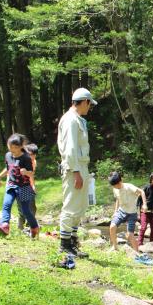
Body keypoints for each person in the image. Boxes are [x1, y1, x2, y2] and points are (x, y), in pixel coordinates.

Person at [57, 87, 97, 260]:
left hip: (82, 166)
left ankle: (73, 243)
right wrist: (75, 172)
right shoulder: (70, 120)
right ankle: (64, 245)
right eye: (90, 104)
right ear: (85, 101)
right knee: (71, 205)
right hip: (74, 167)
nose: (90, 108)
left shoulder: (78, 119)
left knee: (80, 207)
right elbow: (70, 148)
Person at [0, 133, 39, 238]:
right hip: (11, 185)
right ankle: (5, 225)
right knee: (6, 205)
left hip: (24, 187)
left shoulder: (26, 158)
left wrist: (26, 172)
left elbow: (31, 173)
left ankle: (34, 227)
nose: (12, 149)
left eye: (15, 147)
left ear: (21, 146)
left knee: (25, 210)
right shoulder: (8, 155)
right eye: (10, 146)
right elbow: (8, 168)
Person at [108, 171, 147, 252]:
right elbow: (118, 199)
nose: (117, 187)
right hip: (121, 211)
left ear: (121, 180)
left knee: (130, 235)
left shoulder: (129, 187)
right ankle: (115, 247)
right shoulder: (115, 189)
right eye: (114, 186)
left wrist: (144, 204)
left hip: (132, 214)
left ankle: (137, 253)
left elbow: (142, 192)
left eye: (117, 185)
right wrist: (115, 211)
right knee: (112, 227)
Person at [17, 143, 38, 231]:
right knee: (22, 209)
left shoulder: (33, 162)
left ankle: (29, 226)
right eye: (30, 154)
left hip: (28, 186)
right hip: (19, 186)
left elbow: (31, 175)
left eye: (34, 154)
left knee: (32, 208)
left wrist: (33, 185)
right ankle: (20, 228)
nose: (32, 157)